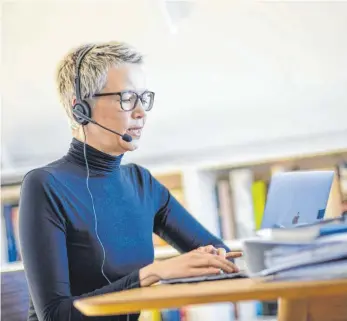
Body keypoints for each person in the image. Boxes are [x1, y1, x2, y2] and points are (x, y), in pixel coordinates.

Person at [18, 41, 241, 321]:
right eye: (126, 98)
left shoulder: (141, 183)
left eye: (143, 98)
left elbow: (220, 257)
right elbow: (55, 315)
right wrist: (152, 273)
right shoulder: (44, 186)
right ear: (81, 110)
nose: (141, 113)